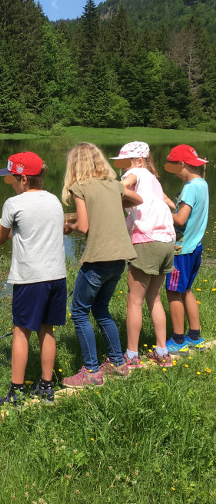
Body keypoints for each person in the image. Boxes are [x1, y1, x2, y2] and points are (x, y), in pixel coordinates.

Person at [0, 151, 67, 406]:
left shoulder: (14, 204)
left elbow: (0, 238)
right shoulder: (54, 201)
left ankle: (16, 392)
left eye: (12, 179)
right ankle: (46, 387)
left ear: (24, 179)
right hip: (57, 276)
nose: (11, 184)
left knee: (21, 332)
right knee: (47, 329)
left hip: (30, 278)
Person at [62, 142, 142, 387]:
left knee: (78, 312)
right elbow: (137, 198)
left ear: (75, 164)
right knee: (101, 310)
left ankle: (91, 371)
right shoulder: (114, 185)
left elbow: (84, 226)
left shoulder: (80, 186)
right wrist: (113, 205)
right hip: (120, 259)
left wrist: (70, 226)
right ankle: (118, 364)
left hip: (97, 260)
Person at [111, 142, 176, 368]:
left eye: (125, 162)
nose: (123, 168)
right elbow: (170, 204)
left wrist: (106, 192)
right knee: (155, 298)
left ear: (139, 161)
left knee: (134, 300)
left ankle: (131, 356)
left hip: (146, 241)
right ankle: (162, 351)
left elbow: (123, 185)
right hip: (166, 241)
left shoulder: (136, 172)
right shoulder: (154, 181)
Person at [163, 144, 209, 355]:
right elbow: (187, 211)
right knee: (187, 290)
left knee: (173, 292)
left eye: (173, 166)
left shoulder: (189, 187)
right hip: (195, 247)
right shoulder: (202, 184)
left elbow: (180, 220)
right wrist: (167, 201)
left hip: (181, 250)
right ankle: (195, 336)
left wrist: (160, 210)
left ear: (181, 164)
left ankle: (178, 340)